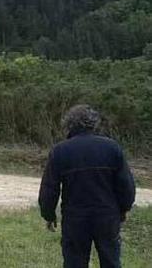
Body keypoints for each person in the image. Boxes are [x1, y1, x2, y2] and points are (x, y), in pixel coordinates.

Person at [39, 105, 136, 268]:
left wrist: (48, 214)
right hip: (107, 216)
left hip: (75, 218)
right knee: (111, 261)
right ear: (94, 123)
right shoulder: (112, 148)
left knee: (74, 262)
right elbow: (126, 185)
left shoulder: (60, 151)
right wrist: (124, 209)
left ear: (69, 125)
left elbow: (50, 187)